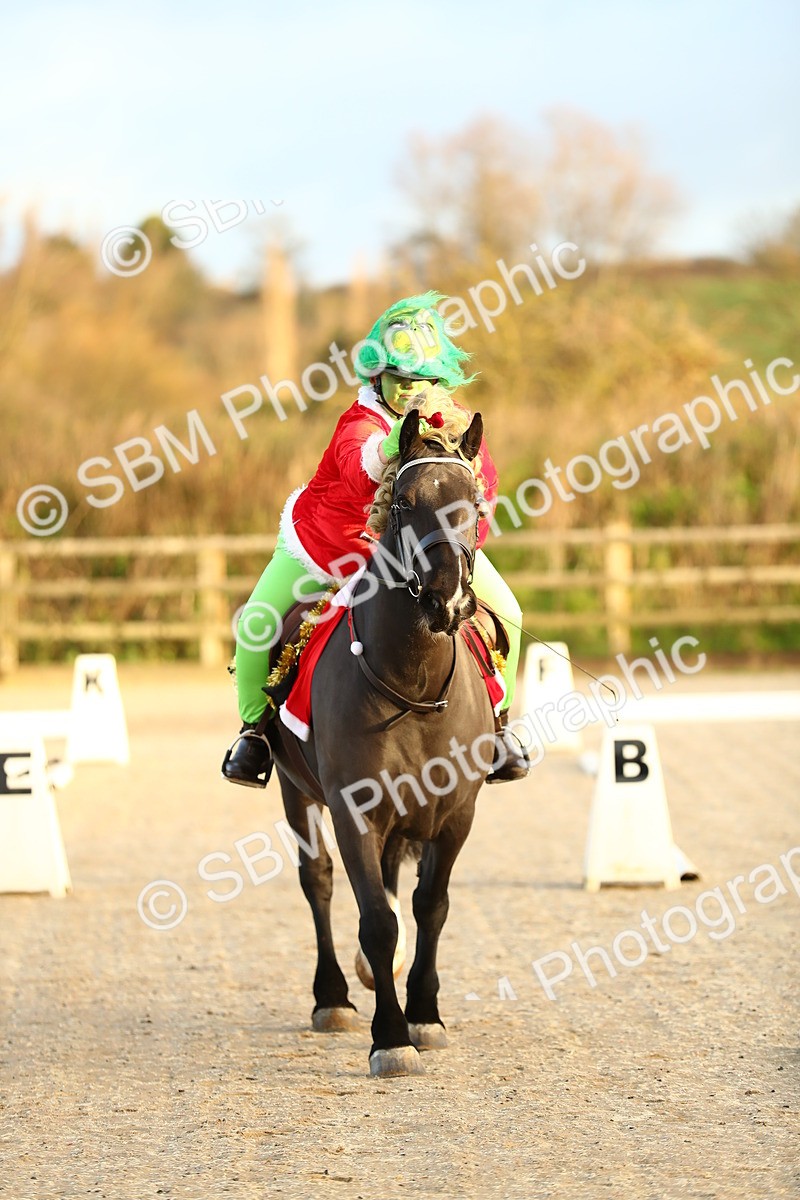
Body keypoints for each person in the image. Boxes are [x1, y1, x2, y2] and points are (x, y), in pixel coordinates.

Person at [221, 292, 529, 788]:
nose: (412, 391)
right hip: (326, 545)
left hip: (412, 555)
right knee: (255, 626)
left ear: (440, 382)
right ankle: (253, 734)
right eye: (401, 380)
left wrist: (458, 556)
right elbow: (359, 470)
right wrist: (390, 446)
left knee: (510, 614)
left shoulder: (457, 430)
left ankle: (499, 728)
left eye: (424, 381)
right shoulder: (359, 424)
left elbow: (480, 496)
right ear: (377, 377)